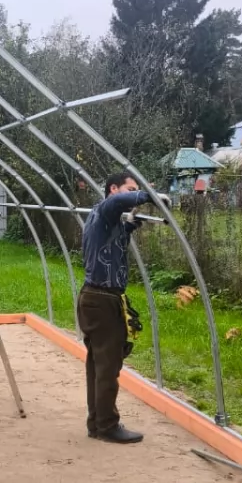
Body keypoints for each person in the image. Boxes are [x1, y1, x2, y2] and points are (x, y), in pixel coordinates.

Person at [77, 172, 168, 444]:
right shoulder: (106, 208)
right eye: (129, 189)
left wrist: (129, 226)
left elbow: (112, 240)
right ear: (113, 189)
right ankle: (107, 425)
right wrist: (149, 196)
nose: (132, 195)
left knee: (98, 364)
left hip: (97, 298)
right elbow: (117, 203)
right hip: (102, 299)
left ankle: (97, 423)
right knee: (108, 365)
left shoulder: (107, 220)